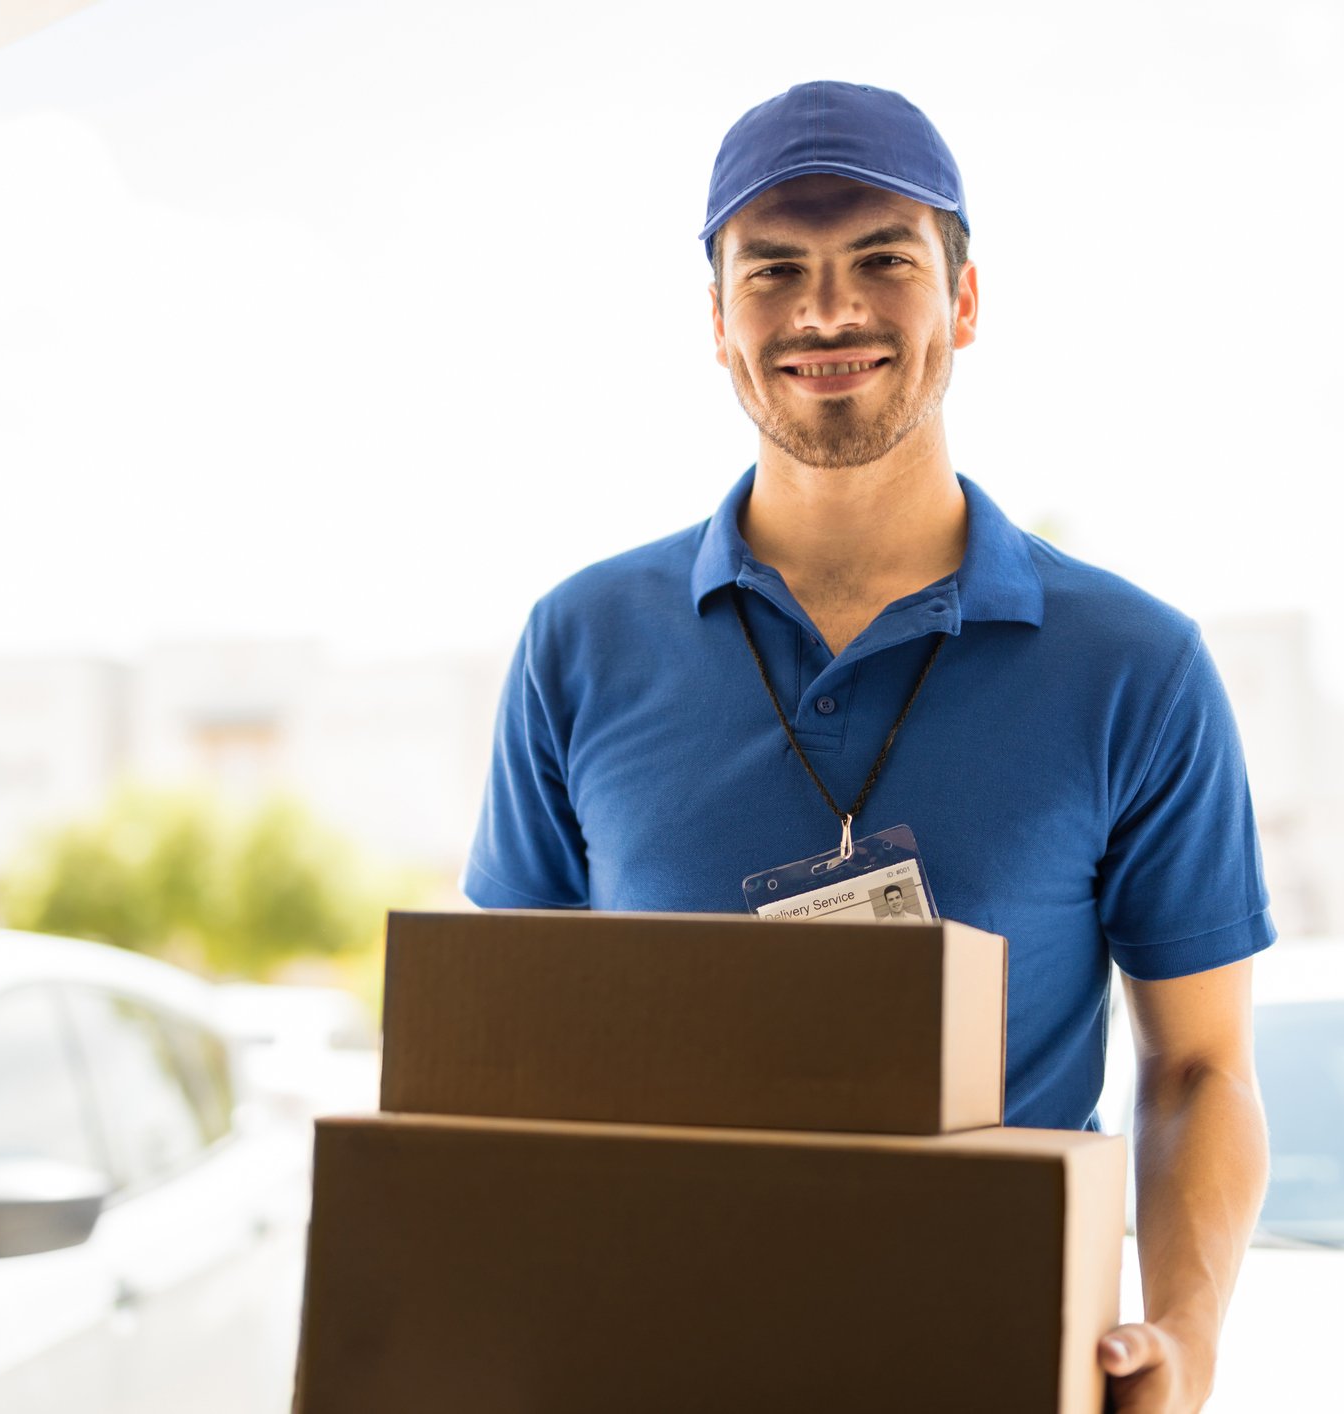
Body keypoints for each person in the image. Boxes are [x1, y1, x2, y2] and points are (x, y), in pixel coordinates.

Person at [464, 80, 1273, 1414]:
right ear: (718, 325)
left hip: (993, 1357)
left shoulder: (1133, 663)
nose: (825, 312)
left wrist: (1184, 1331)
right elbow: (506, 1058)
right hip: (653, 1363)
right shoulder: (581, 642)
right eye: (772, 269)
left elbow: (1196, 1065)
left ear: (961, 301)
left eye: (880, 261)